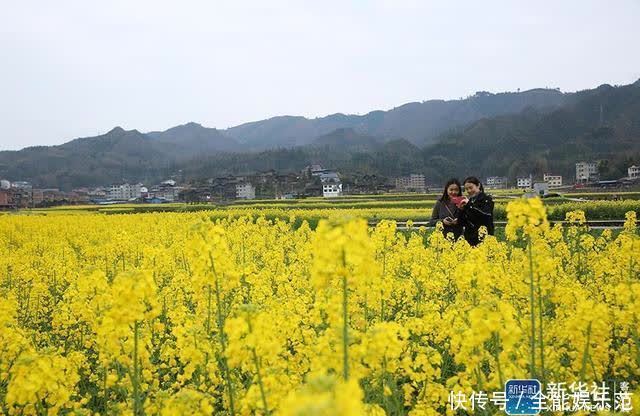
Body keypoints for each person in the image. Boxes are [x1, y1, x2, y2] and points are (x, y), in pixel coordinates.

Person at [458, 176, 494, 246]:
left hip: (484, 239)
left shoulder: (487, 199)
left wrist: (469, 204)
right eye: (466, 189)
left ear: (478, 185)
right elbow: (462, 222)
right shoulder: (469, 202)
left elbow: (486, 216)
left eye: (471, 188)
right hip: (470, 239)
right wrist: (461, 210)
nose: (469, 191)